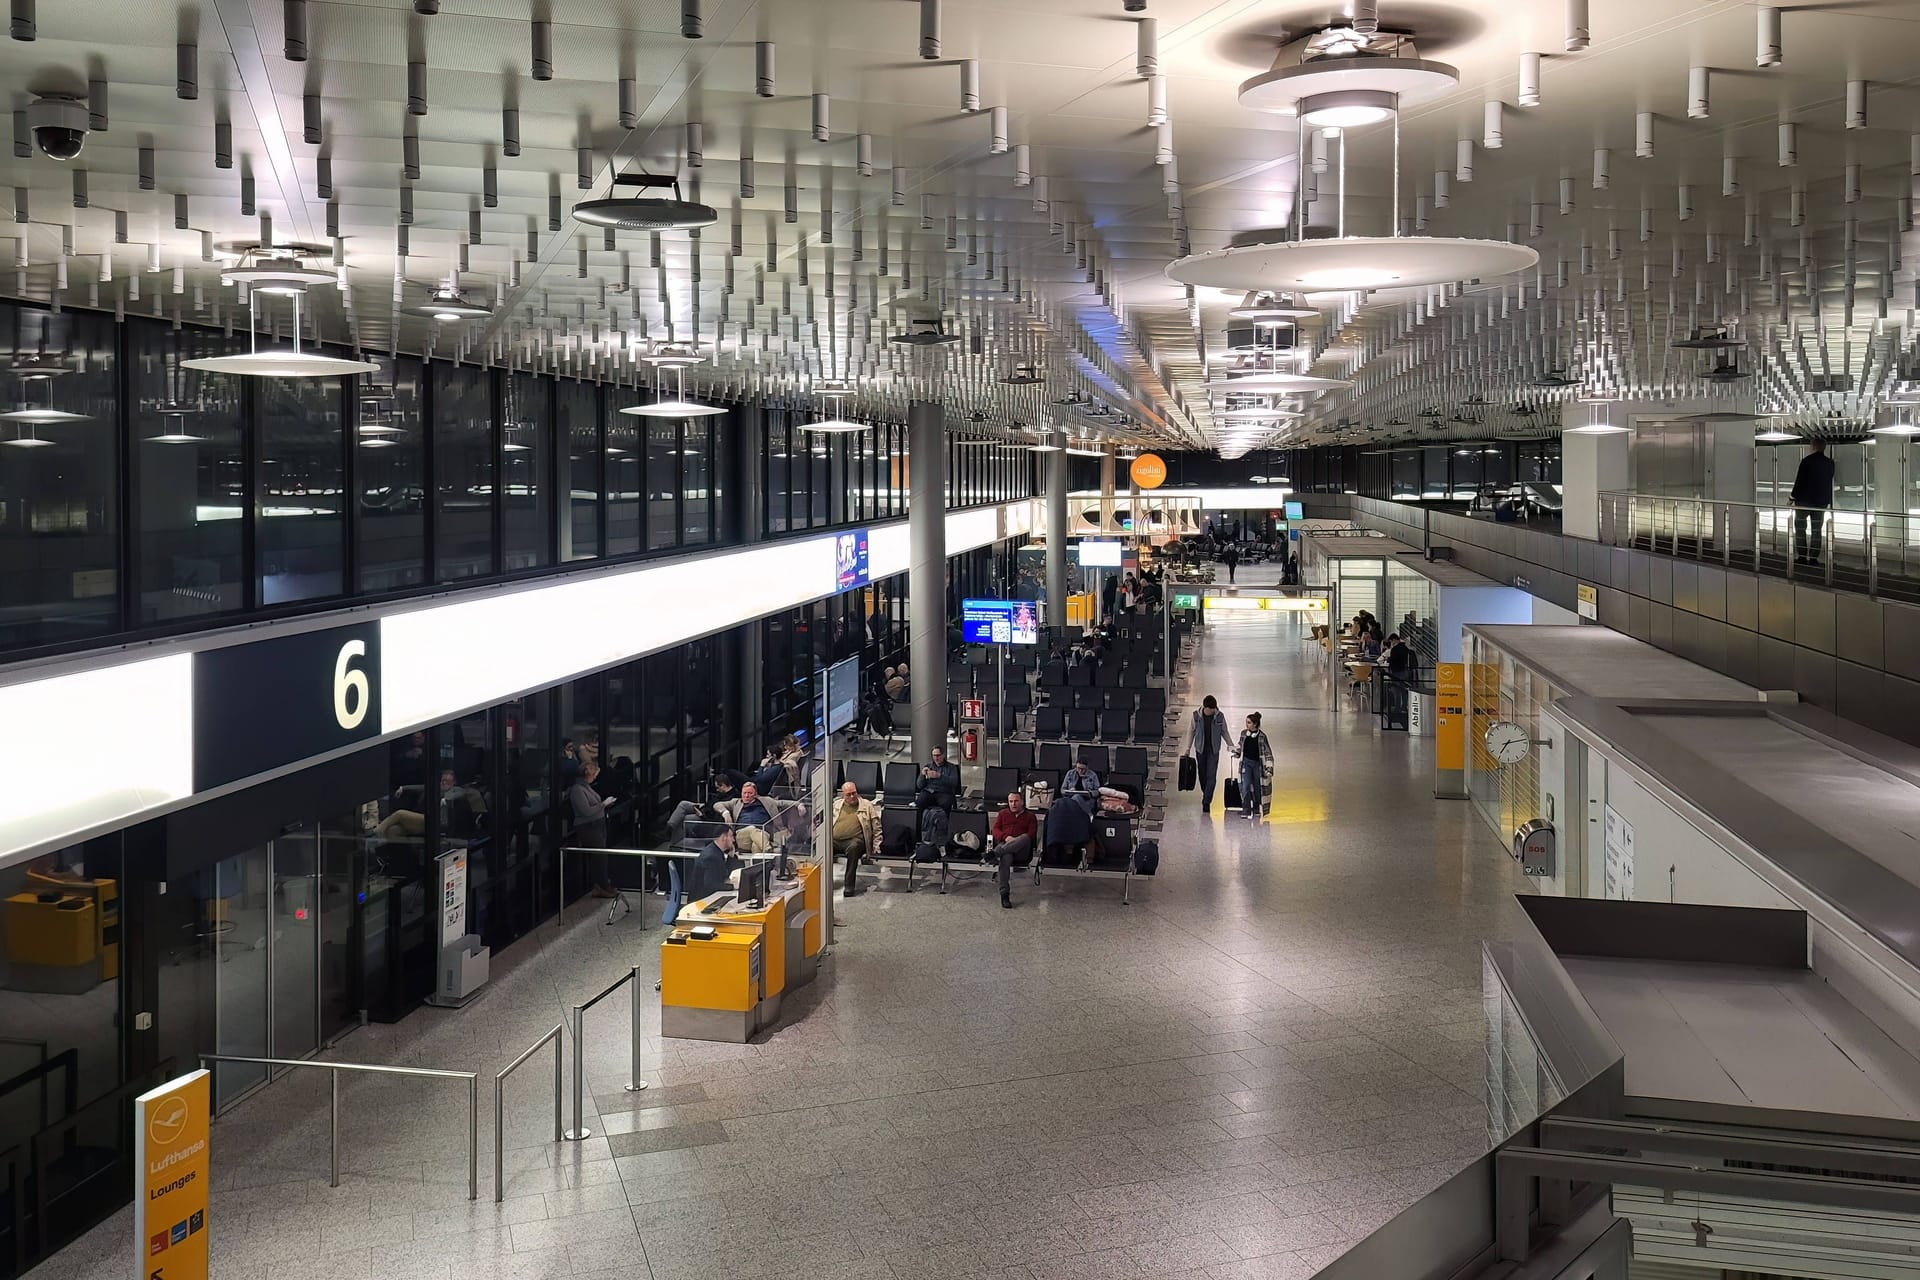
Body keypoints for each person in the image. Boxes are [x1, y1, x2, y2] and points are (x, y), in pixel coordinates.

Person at [569, 761, 618, 895]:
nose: (595, 778)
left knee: (601, 856)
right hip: (588, 826)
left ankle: (602, 884)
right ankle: (601, 885)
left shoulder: (587, 787)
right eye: (594, 775)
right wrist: (603, 804)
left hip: (598, 823)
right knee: (600, 856)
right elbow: (586, 811)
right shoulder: (577, 790)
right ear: (587, 774)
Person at [988, 790, 1038, 908]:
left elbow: (1032, 834)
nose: (1013, 804)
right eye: (1011, 801)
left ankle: (995, 853)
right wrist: (1006, 837)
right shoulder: (1002, 814)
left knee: (1025, 837)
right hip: (1006, 847)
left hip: (1022, 851)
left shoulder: (1030, 816)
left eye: (1016, 801)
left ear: (1021, 802)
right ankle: (1004, 894)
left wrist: (1016, 840)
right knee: (1005, 858)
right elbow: (995, 830)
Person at [831, 780, 880, 896]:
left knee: (853, 848)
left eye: (854, 793)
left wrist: (876, 845)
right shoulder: (836, 805)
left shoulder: (867, 805)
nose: (852, 796)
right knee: (824, 848)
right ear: (843, 795)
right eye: (849, 794)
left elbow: (877, 827)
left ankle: (849, 886)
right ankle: (822, 883)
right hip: (835, 840)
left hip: (855, 840)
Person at [1790, 439, 1834, 566]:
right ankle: (1814, 558)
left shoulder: (1806, 461)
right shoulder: (1830, 463)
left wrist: (1792, 498)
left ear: (1813, 446)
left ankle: (1802, 556)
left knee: (1800, 528)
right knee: (1816, 529)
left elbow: (1799, 481)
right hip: (1821, 501)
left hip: (1804, 500)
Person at [1232, 711, 1275, 823]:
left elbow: (1267, 753)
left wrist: (1269, 768)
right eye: (1246, 722)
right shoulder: (1243, 734)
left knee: (1257, 786)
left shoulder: (1262, 737)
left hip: (1257, 765)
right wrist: (1236, 753)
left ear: (1255, 724)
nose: (1247, 725)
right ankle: (1246, 808)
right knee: (1245, 785)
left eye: (1249, 723)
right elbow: (1240, 746)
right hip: (1246, 763)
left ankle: (1256, 807)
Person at [1188, 694, 1230, 811]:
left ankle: (1206, 801)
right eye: (1210, 710)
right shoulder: (1196, 716)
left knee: (1211, 776)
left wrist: (1230, 745)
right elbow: (1191, 732)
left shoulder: (1219, 716)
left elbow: (1224, 732)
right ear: (1205, 707)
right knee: (1202, 774)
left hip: (1213, 750)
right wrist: (1187, 749)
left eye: (1214, 710)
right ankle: (1206, 792)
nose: (1212, 712)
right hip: (1200, 749)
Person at [686, 825, 741, 901]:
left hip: (707, 897)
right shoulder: (711, 857)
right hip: (702, 902)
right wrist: (733, 886)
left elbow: (725, 874)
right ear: (723, 837)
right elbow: (711, 886)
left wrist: (731, 857)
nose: (733, 840)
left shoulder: (715, 851)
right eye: (731, 836)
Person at [915, 746, 959, 811]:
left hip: (944, 792)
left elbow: (954, 782)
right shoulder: (928, 766)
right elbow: (919, 785)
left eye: (938, 755)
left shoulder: (951, 767)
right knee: (920, 802)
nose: (936, 758)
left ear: (943, 755)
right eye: (934, 756)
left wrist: (939, 776)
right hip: (929, 792)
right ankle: (921, 820)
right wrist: (922, 775)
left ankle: (944, 820)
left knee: (946, 803)